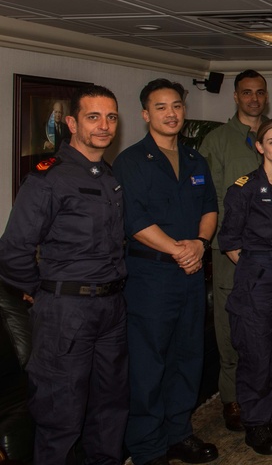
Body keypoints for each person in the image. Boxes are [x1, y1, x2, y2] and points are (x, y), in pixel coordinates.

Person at [0, 85, 128, 464]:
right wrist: (39, 291)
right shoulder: (48, 177)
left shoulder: (107, 175)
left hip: (111, 307)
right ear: (71, 123)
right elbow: (14, 249)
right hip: (66, 311)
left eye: (111, 117)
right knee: (61, 413)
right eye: (93, 117)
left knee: (110, 409)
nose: (103, 126)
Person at [115, 79, 219, 465]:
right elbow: (135, 220)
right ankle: (147, 446)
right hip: (151, 278)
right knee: (149, 363)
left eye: (176, 106)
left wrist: (200, 244)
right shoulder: (130, 162)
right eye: (161, 107)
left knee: (187, 357)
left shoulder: (195, 160)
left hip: (190, 273)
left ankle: (179, 433)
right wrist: (179, 248)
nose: (171, 113)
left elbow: (210, 207)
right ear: (145, 115)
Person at [199, 69, 272, 430]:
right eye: (247, 93)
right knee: (237, 334)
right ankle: (234, 400)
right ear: (236, 97)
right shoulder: (218, 141)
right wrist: (239, 254)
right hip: (237, 255)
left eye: (260, 92)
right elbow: (209, 201)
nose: (254, 98)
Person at [217, 119, 272, 456]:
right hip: (257, 273)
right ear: (259, 147)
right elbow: (229, 241)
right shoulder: (244, 188)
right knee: (255, 352)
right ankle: (255, 423)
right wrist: (256, 269)